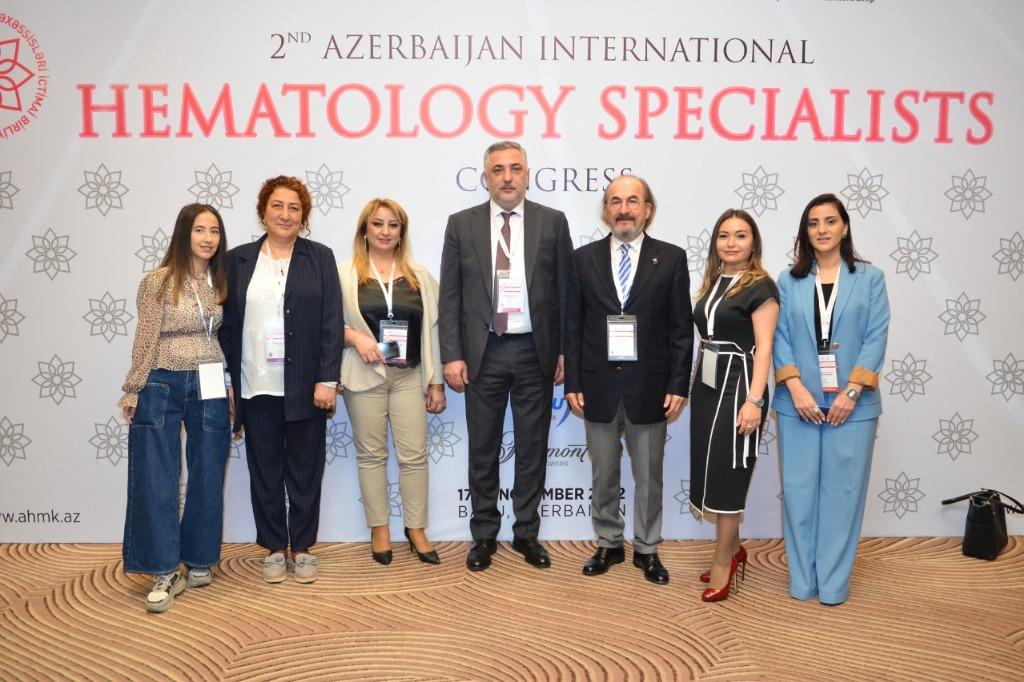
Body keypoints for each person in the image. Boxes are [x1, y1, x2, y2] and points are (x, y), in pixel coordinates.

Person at [438, 140, 572, 571]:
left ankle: (527, 533)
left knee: (533, 447)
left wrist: (565, 349)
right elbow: (450, 296)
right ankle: (483, 535)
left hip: (535, 351)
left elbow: (566, 293)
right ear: (486, 178)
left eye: (515, 168)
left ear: (527, 175)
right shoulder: (461, 224)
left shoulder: (553, 222)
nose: (508, 177)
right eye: (498, 170)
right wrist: (451, 355)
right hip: (483, 352)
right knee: (483, 448)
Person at [564, 174, 693, 585]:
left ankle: (647, 548)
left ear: (647, 210)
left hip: (651, 387)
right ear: (606, 211)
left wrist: (678, 385)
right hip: (597, 386)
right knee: (603, 474)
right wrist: (572, 382)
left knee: (649, 476)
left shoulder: (671, 258)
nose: (624, 209)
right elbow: (573, 325)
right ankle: (608, 542)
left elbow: (680, 330)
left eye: (633, 201)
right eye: (616, 201)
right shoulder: (582, 259)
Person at [219, 176, 343, 584]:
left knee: (305, 471)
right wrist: (229, 382)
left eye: (294, 207)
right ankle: (274, 546)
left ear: (303, 216)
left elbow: (331, 321)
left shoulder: (320, 257)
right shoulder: (237, 260)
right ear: (263, 212)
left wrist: (328, 380)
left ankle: (302, 547)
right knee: (265, 470)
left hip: (306, 386)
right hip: (255, 385)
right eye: (277, 205)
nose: (285, 214)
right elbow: (226, 327)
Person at [773, 193, 890, 606]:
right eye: (813, 223)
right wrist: (795, 387)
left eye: (829, 221)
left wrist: (852, 392)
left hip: (852, 407)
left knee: (843, 495)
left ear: (844, 227)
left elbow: (876, 336)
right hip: (797, 404)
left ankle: (834, 585)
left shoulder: (870, 278)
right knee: (799, 493)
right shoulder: (788, 280)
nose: (821, 230)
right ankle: (802, 581)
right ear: (805, 232)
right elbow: (779, 336)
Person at [118, 203, 231, 613]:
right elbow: (145, 337)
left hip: (211, 382)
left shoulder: (218, 282)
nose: (207, 238)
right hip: (162, 382)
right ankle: (164, 569)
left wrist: (229, 386)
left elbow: (217, 338)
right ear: (184, 233)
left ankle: (199, 558)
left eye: (214, 231)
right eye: (199, 229)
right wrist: (133, 389)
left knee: (208, 471)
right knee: (157, 476)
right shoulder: (158, 280)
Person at [339, 198, 446, 566]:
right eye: (377, 224)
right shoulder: (344, 274)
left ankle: (416, 528)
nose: (385, 231)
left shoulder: (419, 276)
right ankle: (380, 528)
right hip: (363, 375)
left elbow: (433, 331)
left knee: (414, 456)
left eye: (393, 225)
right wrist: (354, 337)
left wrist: (436, 382)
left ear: (402, 232)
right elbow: (326, 324)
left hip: (409, 376)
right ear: (364, 231)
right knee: (372, 456)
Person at [689, 209, 779, 602]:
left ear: (753, 243)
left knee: (729, 476)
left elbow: (765, 350)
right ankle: (735, 547)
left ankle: (723, 562)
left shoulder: (761, 287)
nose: (731, 242)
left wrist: (754, 401)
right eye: (724, 235)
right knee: (713, 470)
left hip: (740, 385)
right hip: (708, 386)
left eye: (740, 235)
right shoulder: (714, 281)